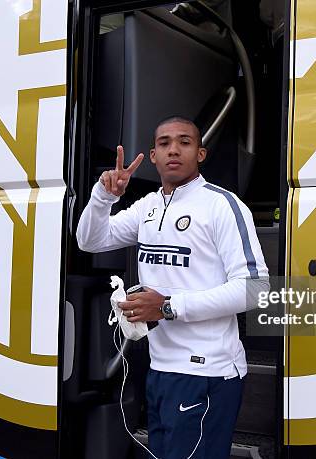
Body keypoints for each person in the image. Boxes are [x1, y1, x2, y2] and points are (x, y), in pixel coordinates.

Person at [76, 117, 269, 459]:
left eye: (184, 142)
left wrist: (167, 306)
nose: (174, 149)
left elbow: (255, 288)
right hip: (161, 368)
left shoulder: (222, 205)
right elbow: (90, 240)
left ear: (201, 153)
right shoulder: (148, 206)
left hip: (206, 372)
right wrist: (103, 197)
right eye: (164, 143)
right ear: (153, 155)